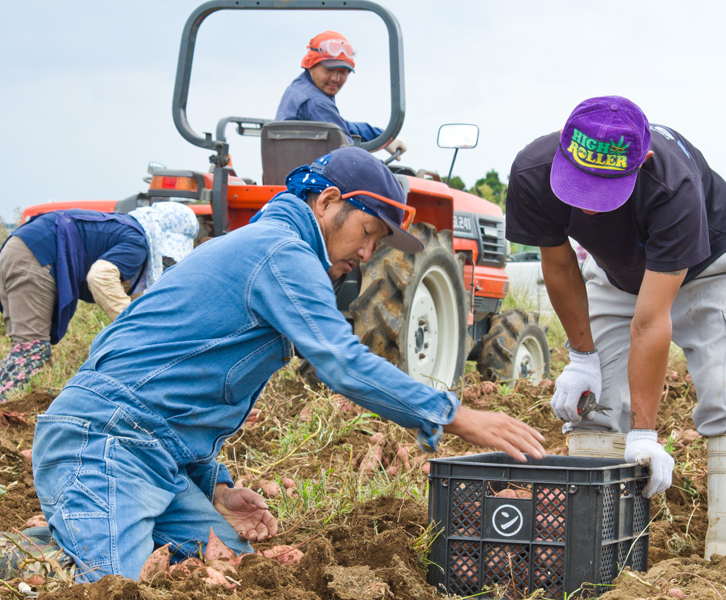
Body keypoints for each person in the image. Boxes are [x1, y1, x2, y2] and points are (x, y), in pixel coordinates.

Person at [31, 145, 546, 583]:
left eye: (377, 243)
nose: (368, 253)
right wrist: (455, 415)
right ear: (327, 202)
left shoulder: (268, 249)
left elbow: (175, 392)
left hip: (148, 453)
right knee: (119, 586)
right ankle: (9, 549)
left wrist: (219, 488)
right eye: (367, 231)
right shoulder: (281, 251)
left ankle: (75, 523)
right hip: (102, 443)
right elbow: (342, 363)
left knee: (239, 569)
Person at [504, 95, 726, 560]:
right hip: (614, 273)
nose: (588, 208)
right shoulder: (532, 172)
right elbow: (561, 265)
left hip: (707, 268)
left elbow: (650, 322)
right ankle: (590, 555)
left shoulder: (673, 188)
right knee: (597, 407)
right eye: (578, 186)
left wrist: (645, 434)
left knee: (724, 397)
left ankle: (723, 553)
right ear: (563, 151)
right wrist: (583, 357)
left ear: (642, 162)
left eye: (602, 190)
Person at [0, 202, 199, 406]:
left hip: (20, 248)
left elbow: (126, 291)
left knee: (25, 350)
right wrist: (135, 330)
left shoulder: (123, 229)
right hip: (35, 256)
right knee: (32, 352)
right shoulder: (136, 241)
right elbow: (100, 277)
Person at [275, 30, 407, 157]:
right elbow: (347, 153)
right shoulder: (315, 102)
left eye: (343, 72)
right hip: (314, 175)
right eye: (328, 70)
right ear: (311, 64)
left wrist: (381, 136)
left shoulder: (301, 88)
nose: (335, 78)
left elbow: (341, 127)